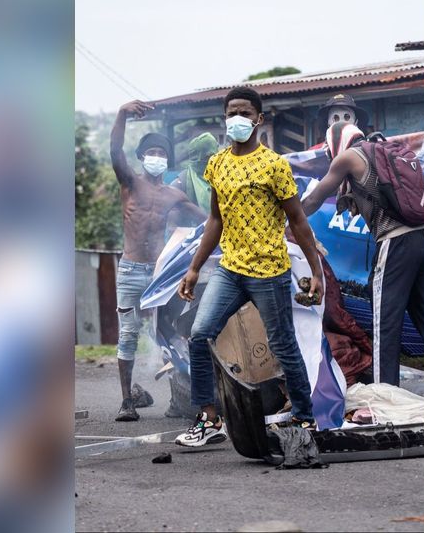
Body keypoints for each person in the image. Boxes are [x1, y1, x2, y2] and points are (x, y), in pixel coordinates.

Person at [174, 86, 326, 447]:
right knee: (200, 334)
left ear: (258, 119)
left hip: (269, 270)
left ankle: (305, 419)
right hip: (230, 269)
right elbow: (215, 219)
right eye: (231, 114)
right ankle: (209, 419)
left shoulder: (274, 165)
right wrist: (194, 268)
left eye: (244, 113)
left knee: (283, 343)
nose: (236, 119)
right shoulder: (218, 163)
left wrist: (316, 271)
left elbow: (298, 220)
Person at [300, 121, 424, 386]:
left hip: (395, 241)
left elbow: (314, 200)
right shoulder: (382, 151)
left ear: (336, 143)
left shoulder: (348, 157)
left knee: (384, 324)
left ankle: (385, 394)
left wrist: (286, 218)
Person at [110, 100, 208, 421]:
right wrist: (123, 114)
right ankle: (127, 401)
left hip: (159, 274)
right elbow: (115, 150)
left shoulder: (172, 195)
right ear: (142, 158)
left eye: (162, 154)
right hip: (129, 271)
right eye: (151, 153)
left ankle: (180, 399)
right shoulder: (130, 183)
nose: (157, 158)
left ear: (168, 162)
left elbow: (208, 220)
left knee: (167, 334)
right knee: (127, 335)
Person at [170, 131, 219, 209]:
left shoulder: (224, 178)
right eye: (206, 158)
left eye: (215, 156)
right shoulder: (181, 183)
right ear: (195, 159)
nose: (212, 161)